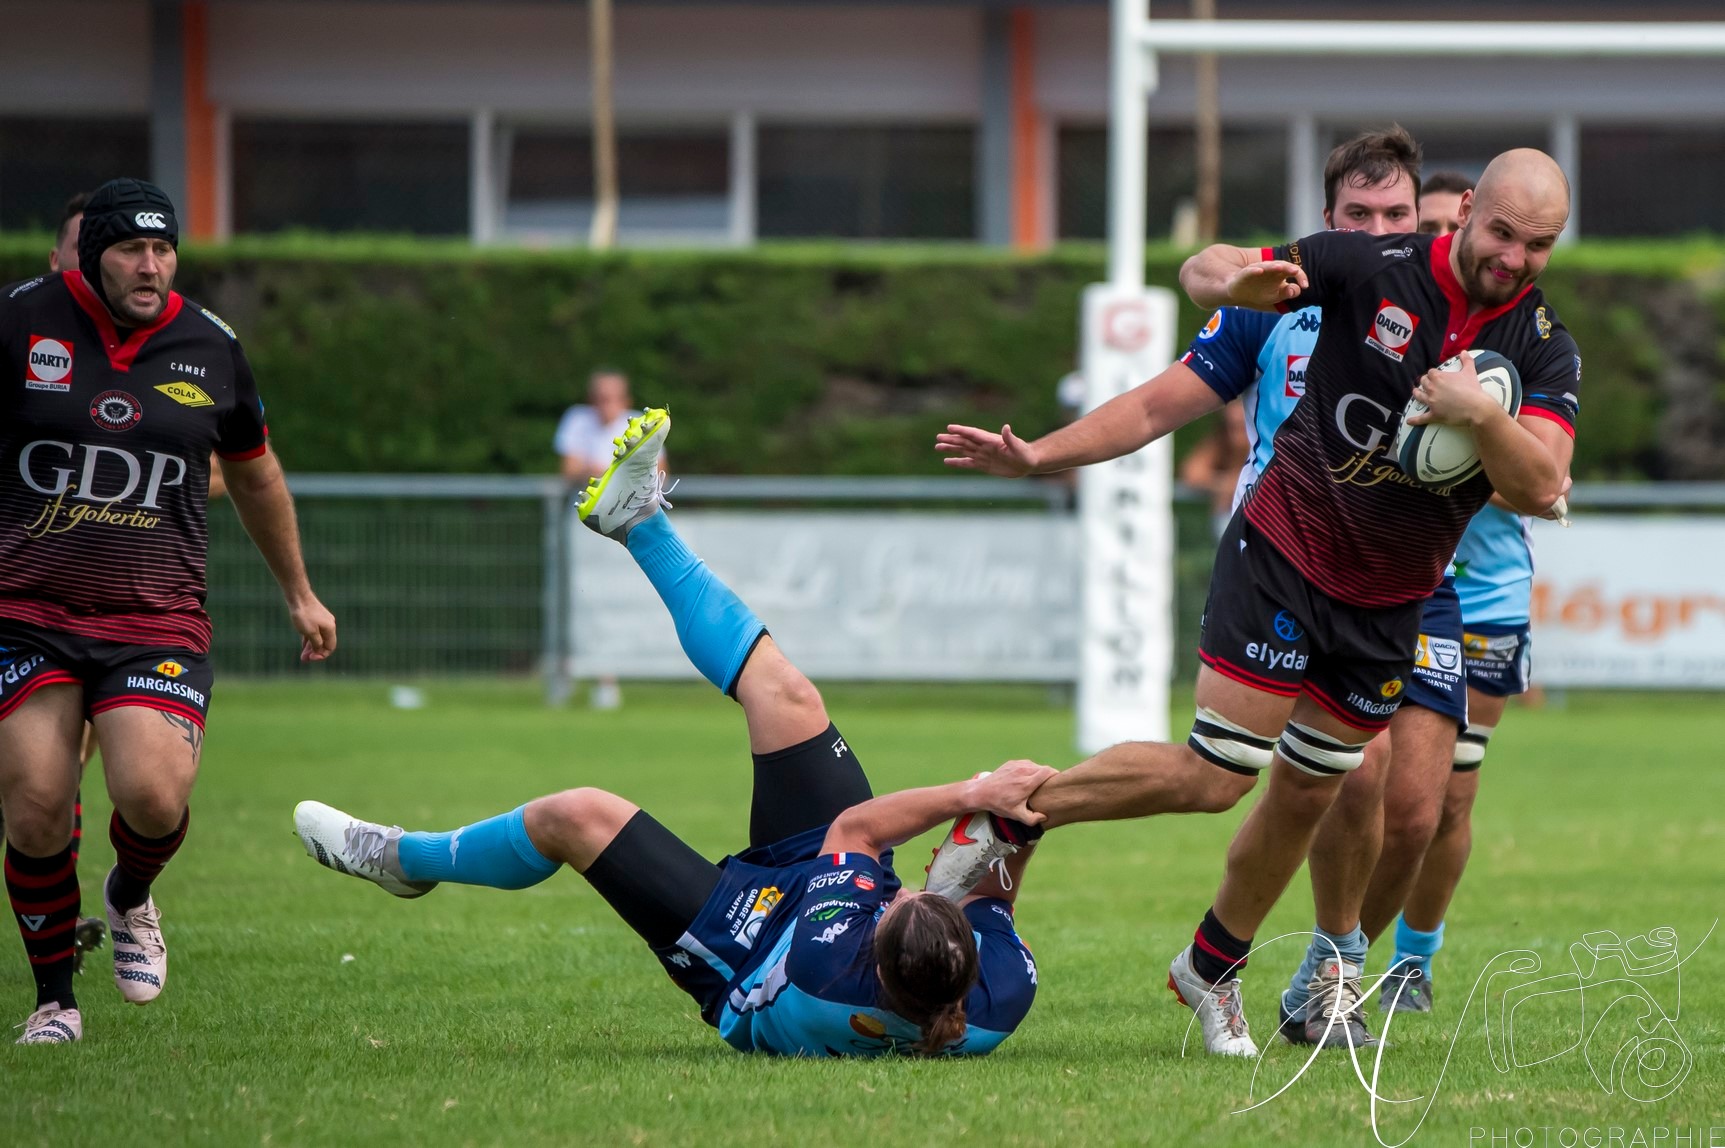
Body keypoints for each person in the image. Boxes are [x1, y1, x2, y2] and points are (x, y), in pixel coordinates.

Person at [939, 147, 1579, 1056]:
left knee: (1316, 794)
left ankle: (1214, 966)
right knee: (1218, 773)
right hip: (1284, 548)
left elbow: (1541, 483)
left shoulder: (1545, 346)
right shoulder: (1367, 269)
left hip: (1392, 600)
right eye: (1503, 232)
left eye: (1538, 244)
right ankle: (1015, 812)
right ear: (1467, 208)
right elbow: (1203, 296)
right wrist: (1221, 282)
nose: (1513, 257)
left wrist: (1480, 415)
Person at [296, 411, 1045, 1057]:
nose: (898, 892)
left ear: (874, 951)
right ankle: (638, 524)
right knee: (786, 694)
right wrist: (1018, 821)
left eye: (893, 904)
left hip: (750, 956)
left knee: (577, 816)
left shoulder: (829, 969)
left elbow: (855, 830)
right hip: (836, 903)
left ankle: (402, 859)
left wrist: (976, 790)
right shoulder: (997, 997)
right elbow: (994, 903)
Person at [1, 177, 338, 1044]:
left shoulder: (211, 346)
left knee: (152, 796)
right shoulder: (18, 323)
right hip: (28, 610)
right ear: (89, 255)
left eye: (163, 249)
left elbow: (256, 474)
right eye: (129, 251)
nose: (150, 267)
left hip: (156, 616)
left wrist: (298, 592)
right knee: (37, 802)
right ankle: (54, 1000)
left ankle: (130, 895)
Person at [1369, 172, 1542, 1016]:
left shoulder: (1517, 349)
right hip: (1401, 579)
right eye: (1426, 229)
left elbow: (1539, 484)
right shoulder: (1390, 325)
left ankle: (1413, 958)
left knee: (1450, 795)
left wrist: (1475, 432)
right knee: (1383, 781)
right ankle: (1334, 947)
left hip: (1488, 591)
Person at [555, 368, 656, 710]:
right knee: (573, 601)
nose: (605, 405)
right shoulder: (577, 421)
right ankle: (566, 674)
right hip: (582, 532)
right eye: (599, 398)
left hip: (622, 532)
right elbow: (569, 469)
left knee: (611, 603)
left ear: (625, 401)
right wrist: (613, 470)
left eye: (612, 398)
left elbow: (657, 473)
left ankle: (606, 678)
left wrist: (597, 469)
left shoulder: (637, 424)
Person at [1178, 402, 1249, 540]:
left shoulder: (1267, 447)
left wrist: (1235, 485)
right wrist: (1225, 485)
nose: (1235, 436)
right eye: (1230, 427)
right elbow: (1191, 474)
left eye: (1241, 427)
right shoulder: (1220, 443)